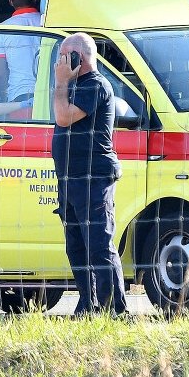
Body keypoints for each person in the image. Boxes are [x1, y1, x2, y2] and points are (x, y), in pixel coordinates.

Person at [53, 32, 127, 316]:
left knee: (98, 244)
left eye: (64, 56)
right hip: (70, 180)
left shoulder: (94, 85)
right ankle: (89, 303)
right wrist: (63, 84)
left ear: (77, 58)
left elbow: (63, 117)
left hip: (92, 179)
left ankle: (114, 310)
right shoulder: (72, 87)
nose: (59, 63)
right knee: (76, 247)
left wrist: (61, 82)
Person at [0, 0, 43, 105]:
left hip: (19, 97)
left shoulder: (0, 30)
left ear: (11, 2)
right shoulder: (47, 23)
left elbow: (0, 72)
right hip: (49, 95)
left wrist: (4, 96)